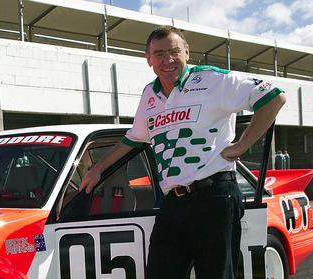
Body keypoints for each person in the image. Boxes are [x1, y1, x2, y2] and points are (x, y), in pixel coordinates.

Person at [80, 26, 285, 279]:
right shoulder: (149, 94)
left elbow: (274, 97)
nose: (167, 60)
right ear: (149, 59)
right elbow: (133, 140)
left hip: (214, 196)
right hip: (173, 201)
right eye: (159, 54)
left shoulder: (212, 80)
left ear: (187, 53)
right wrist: (99, 167)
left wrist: (241, 145)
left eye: (174, 51)